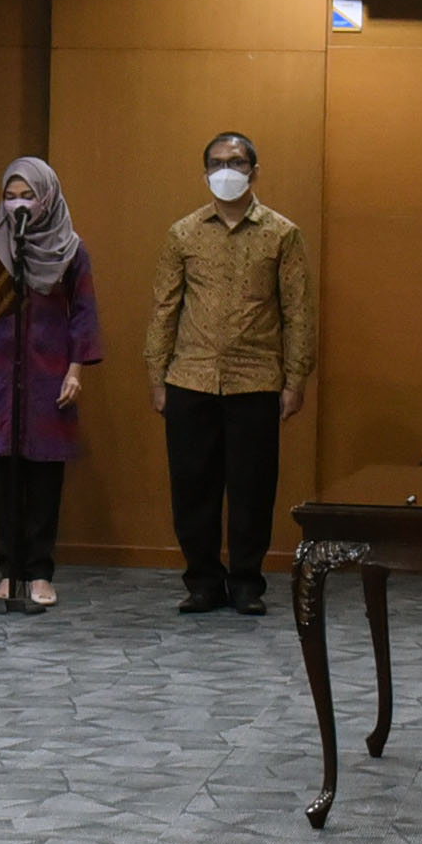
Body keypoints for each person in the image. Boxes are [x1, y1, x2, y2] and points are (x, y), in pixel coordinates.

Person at [146, 131, 317, 615]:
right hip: (190, 377)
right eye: (218, 163)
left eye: (237, 162)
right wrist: (156, 375)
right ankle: (202, 581)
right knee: (192, 487)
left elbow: (298, 312)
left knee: (252, 488)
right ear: (204, 173)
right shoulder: (183, 233)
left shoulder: (282, 233)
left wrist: (295, 380)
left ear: (254, 171)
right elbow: (164, 308)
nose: (227, 171)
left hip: (257, 378)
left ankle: (246, 582)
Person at [0, 157, 102, 613]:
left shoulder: (71, 249)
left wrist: (76, 370)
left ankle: (40, 572)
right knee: (3, 480)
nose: (18, 204)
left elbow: (83, 314)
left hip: (47, 375)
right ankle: (9, 573)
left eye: (28, 195)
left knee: (43, 480)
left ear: (48, 198)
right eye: (10, 196)